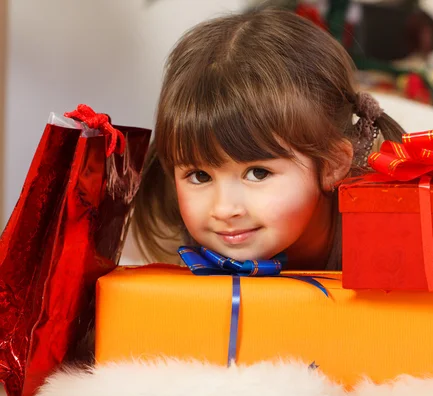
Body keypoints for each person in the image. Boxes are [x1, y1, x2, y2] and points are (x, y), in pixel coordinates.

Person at [131, 8, 405, 270]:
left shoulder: (389, 242)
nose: (225, 209)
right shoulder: (171, 246)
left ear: (333, 163)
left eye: (258, 173)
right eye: (200, 176)